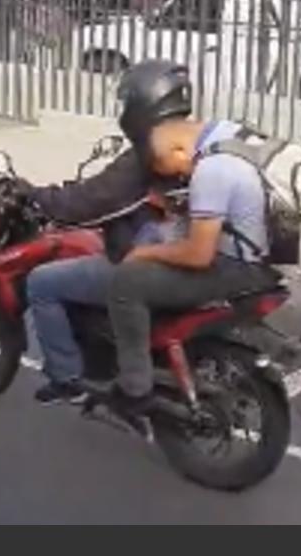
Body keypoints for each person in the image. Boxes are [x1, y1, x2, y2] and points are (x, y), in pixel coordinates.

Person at [105, 77, 281, 416]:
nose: (176, 176)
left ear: (178, 152)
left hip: (236, 268)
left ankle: (134, 388)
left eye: (165, 167)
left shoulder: (211, 171)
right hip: (262, 255)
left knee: (126, 283)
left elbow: (198, 255)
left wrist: (143, 254)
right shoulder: (230, 133)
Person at [22, 60, 190, 406]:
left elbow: (91, 201)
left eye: (129, 102)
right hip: (188, 253)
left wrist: (37, 197)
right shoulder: (188, 142)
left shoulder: (144, 156)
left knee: (41, 283)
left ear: (145, 103)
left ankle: (66, 377)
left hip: (147, 263)